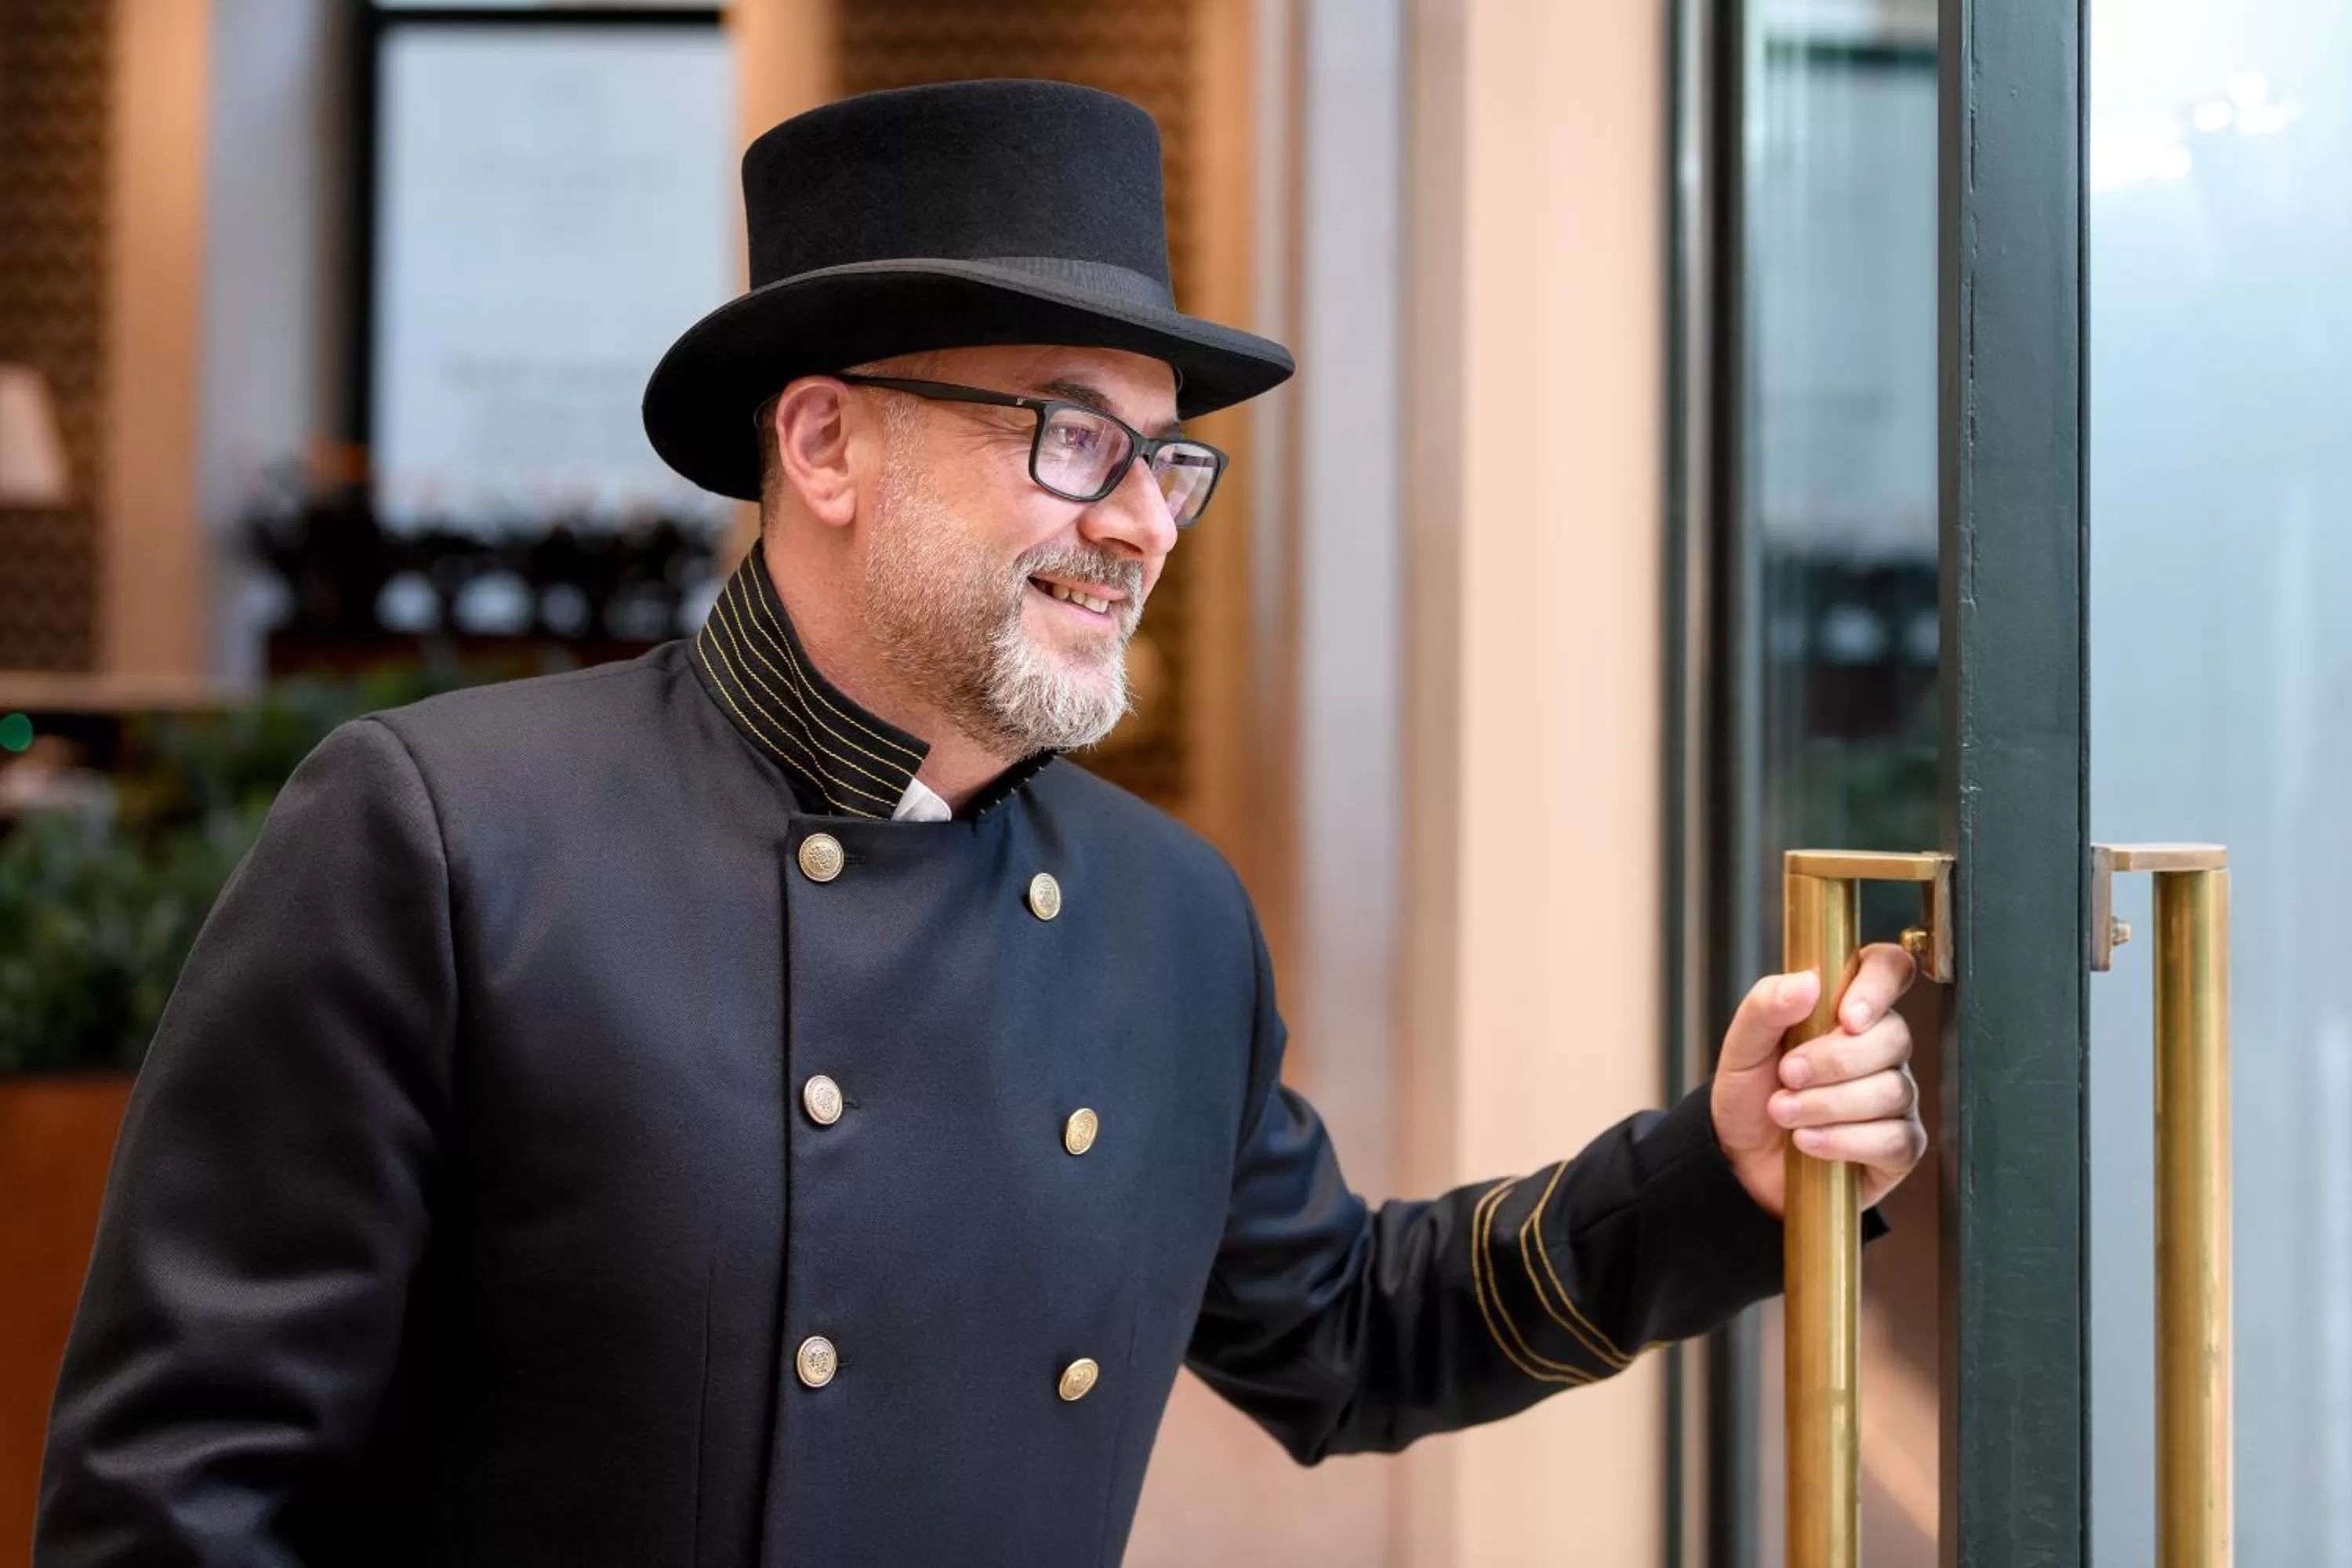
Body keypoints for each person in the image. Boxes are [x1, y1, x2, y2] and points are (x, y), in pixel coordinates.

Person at [34, 79, 1924, 1566]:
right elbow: (180, 1507)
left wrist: (1718, 1169)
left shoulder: (1172, 919)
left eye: (1168, 458)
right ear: (826, 444)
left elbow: (1352, 1325)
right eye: (1069, 434)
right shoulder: (443, 843)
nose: (1141, 523)